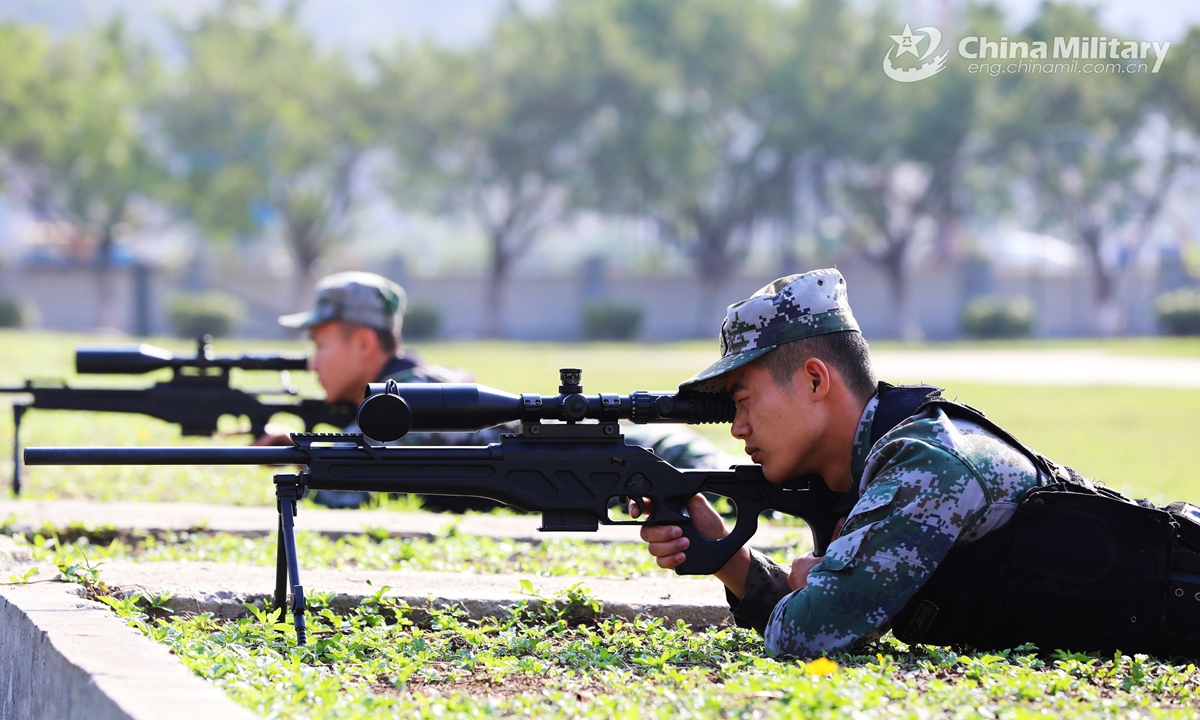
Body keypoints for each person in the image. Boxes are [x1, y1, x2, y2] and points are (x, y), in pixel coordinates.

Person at [637, 268, 1200, 658]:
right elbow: (813, 616)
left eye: (742, 400)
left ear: (814, 379)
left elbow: (809, 635)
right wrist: (725, 555)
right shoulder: (871, 467)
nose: (737, 428)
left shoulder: (926, 463)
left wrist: (816, 587)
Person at [265, 271, 735, 509]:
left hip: (619, 454)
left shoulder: (405, 404)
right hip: (577, 459)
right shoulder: (415, 386)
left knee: (712, 480)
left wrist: (293, 455)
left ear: (364, 342)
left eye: (320, 343)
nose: (312, 361)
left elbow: (346, 490)